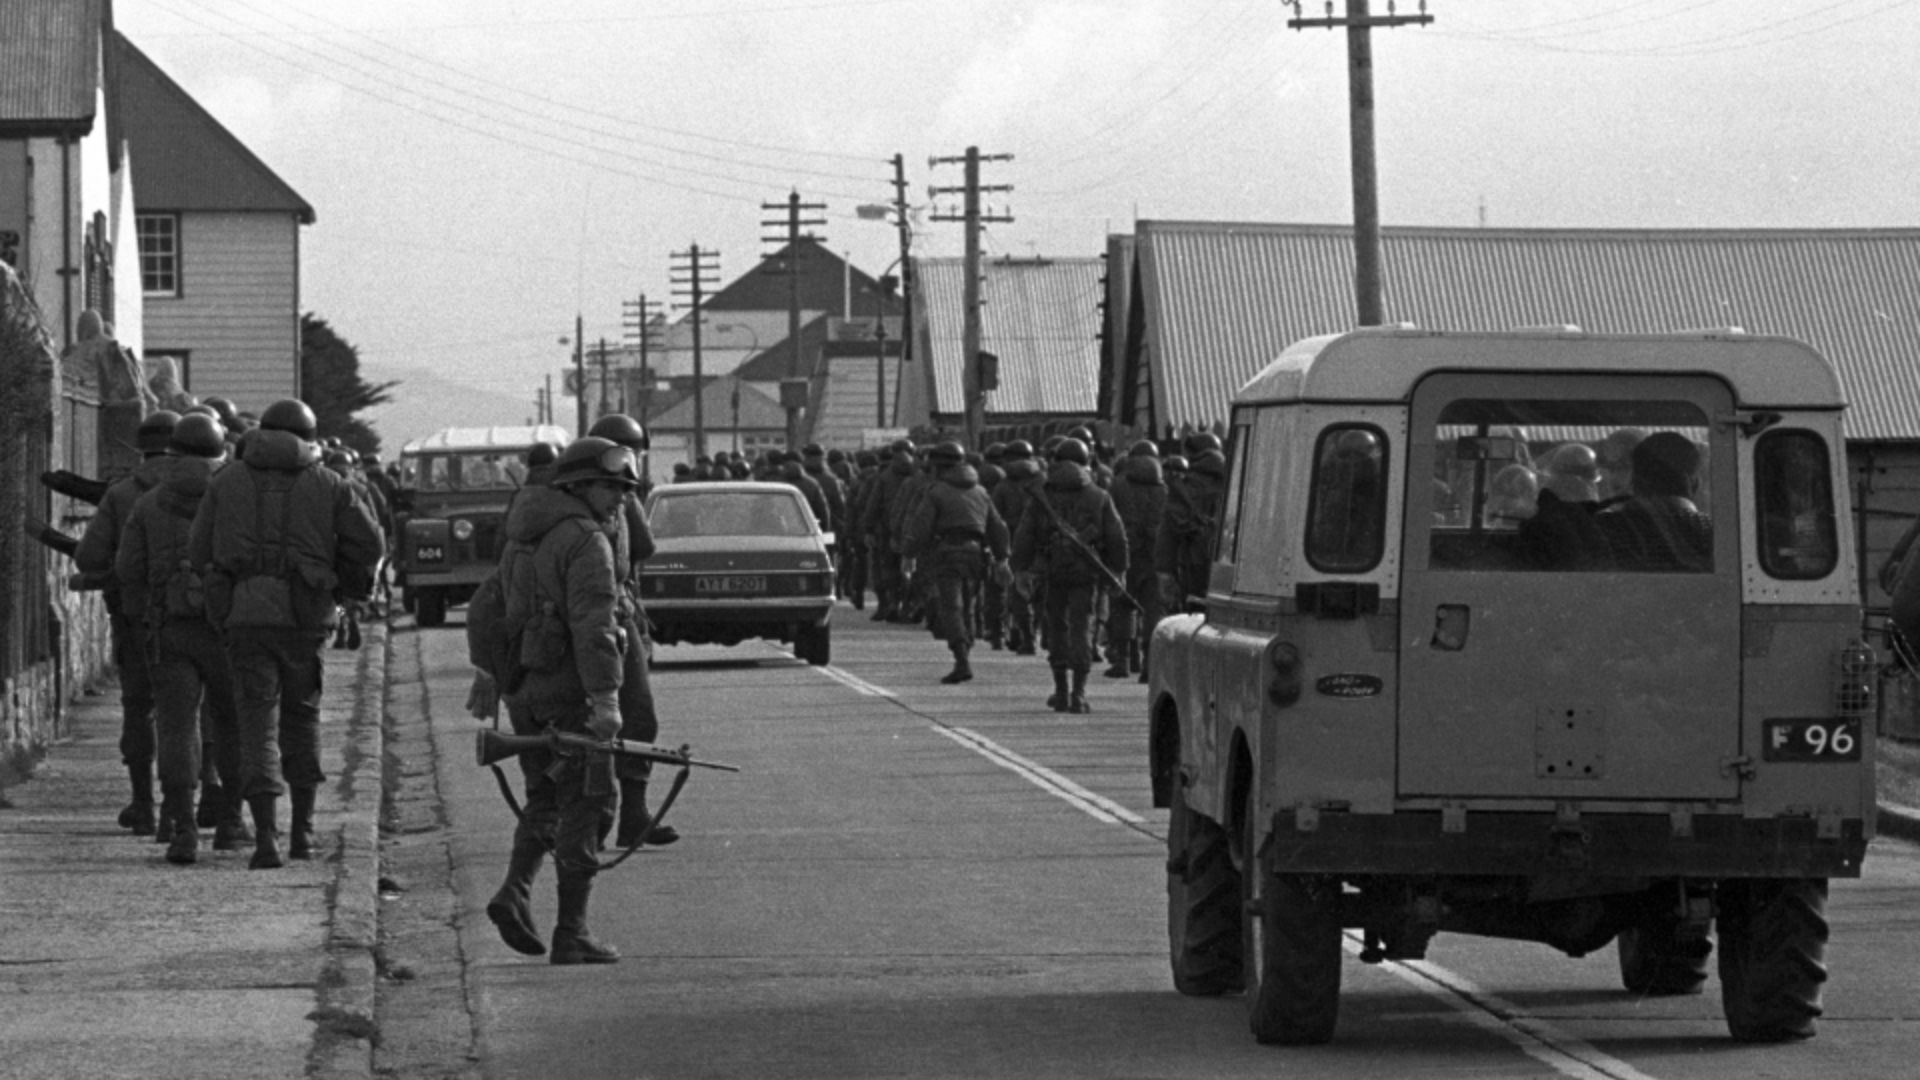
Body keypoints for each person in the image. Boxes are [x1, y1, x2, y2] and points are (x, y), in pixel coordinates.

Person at [189, 399, 385, 869]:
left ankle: (265, 840)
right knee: (303, 720)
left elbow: (199, 550)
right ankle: (303, 834)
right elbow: (371, 544)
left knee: (256, 724)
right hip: (306, 618)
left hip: (245, 617)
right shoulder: (331, 484)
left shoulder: (226, 480)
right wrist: (338, 579)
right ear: (308, 437)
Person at [485, 436, 637, 965]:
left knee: (545, 798)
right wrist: (606, 700)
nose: (620, 498)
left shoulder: (522, 534)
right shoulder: (586, 540)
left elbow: (491, 608)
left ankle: (515, 890)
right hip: (571, 690)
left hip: (525, 689)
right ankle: (571, 931)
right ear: (579, 486)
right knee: (592, 802)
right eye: (611, 487)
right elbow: (595, 627)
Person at [115, 413, 245, 863]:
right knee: (231, 725)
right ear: (220, 452)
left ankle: (183, 827)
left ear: (173, 453)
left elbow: (127, 570)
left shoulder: (148, 504)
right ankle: (230, 822)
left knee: (175, 726)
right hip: (225, 628)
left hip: (170, 629)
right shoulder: (234, 498)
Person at [72, 409, 178, 836]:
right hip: (196, 615)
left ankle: (143, 803)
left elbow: (89, 557)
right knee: (191, 710)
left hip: (135, 615)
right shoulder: (215, 485)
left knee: (139, 707)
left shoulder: (121, 494)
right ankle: (185, 805)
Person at [586, 413, 677, 850]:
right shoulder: (617, 495)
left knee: (619, 718)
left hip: (598, 616)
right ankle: (614, 815)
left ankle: (616, 816)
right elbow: (645, 546)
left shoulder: (595, 495)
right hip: (602, 616)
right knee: (626, 716)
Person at [1012, 437, 1126, 714]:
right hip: (1086, 574)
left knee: (1057, 629)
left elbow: (1025, 535)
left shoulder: (1043, 495)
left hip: (1053, 571)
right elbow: (1116, 537)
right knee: (1082, 628)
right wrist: (1118, 572)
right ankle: (1079, 693)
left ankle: (1061, 691)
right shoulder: (1099, 496)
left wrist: (1021, 569)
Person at [902, 441, 1011, 684]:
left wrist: (909, 554)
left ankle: (961, 659)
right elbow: (998, 527)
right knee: (969, 607)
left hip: (947, 553)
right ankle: (965, 654)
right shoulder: (980, 492)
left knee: (951, 607)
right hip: (976, 555)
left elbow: (920, 528)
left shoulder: (936, 492)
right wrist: (1002, 558)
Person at [1595, 431, 1713, 572]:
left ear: (1634, 479)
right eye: (1612, 468)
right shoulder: (1714, 533)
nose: (1613, 479)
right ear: (1694, 483)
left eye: (1622, 466)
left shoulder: (1602, 529)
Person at [1106, 442, 1167, 680]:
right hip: (1154, 555)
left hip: (1125, 553)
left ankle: (1123, 660)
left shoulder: (1118, 485)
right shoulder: (1164, 489)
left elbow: (1110, 524)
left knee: (1122, 606)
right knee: (1153, 609)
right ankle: (1149, 666)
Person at [1157, 442, 1226, 613]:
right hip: (1225, 563)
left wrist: (1165, 572)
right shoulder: (1233, 485)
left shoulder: (1183, 488)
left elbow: (1167, 538)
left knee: (1192, 613)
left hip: (1192, 563)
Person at [992, 440, 1043, 654]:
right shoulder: (1043, 481)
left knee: (1016, 591)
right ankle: (1037, 632)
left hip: (1014, 541)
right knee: (1041, 590)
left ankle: (1025, 637)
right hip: (1041, 540)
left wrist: (998, 549)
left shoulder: (1003, 485)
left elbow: (995, 519)